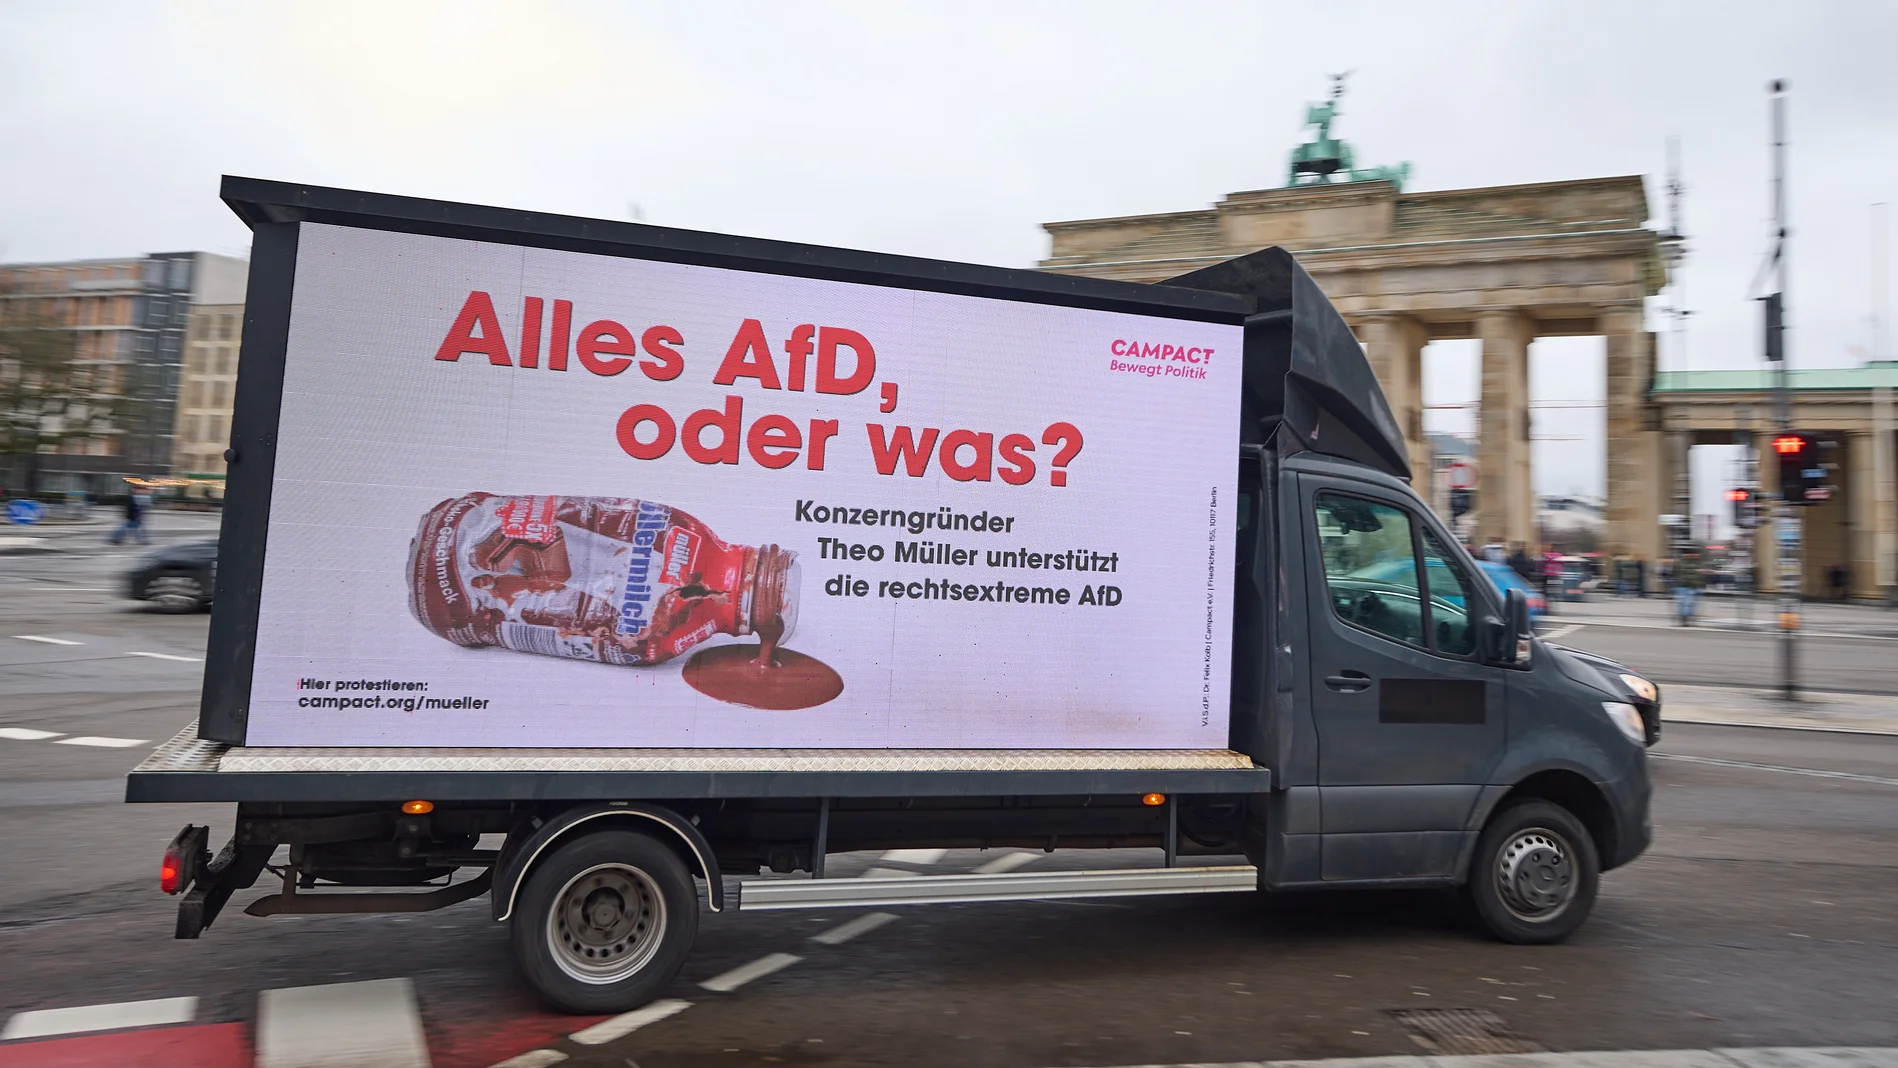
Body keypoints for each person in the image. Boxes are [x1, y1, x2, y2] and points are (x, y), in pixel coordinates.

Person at [1673, 548, 1705, 625]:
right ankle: (1685, 619)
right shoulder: (1694, 563)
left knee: (1685, 604)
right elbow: (1697, 575)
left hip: (1684, 586)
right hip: (1688, 586)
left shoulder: (1680, 562)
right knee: (1687, 604)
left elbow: (1675, 573)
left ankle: (1685, 618)